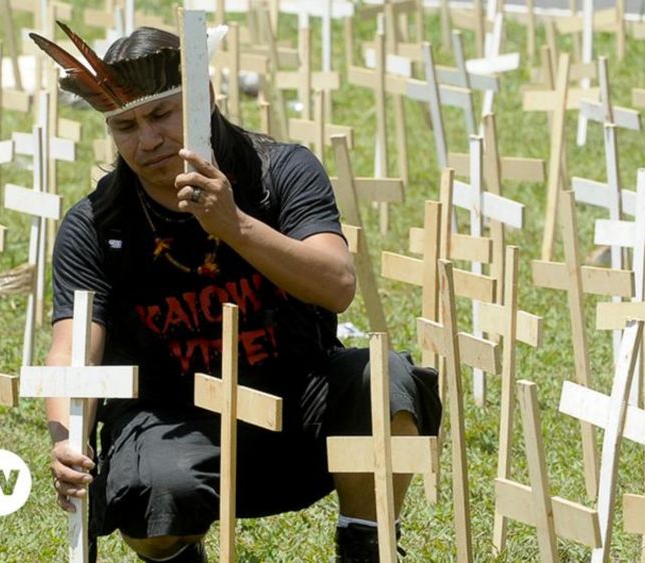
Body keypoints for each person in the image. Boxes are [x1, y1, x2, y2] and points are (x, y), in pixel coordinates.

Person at [31, 23, 442, 563]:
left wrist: (234, 225)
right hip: (173, 420)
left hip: (297, 408)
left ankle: (364, 542)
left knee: (382, 380)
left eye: (162, 114)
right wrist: (67, 435)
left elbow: (338, 285)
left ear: (204, 99)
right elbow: (72, 347)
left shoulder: (279, 171)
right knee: (149, 489)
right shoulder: (95, 222)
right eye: (125, 126)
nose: (147, 140)